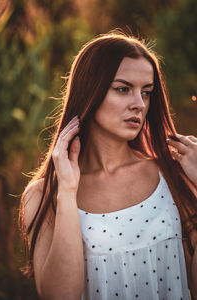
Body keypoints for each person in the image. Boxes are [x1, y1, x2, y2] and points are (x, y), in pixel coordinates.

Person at [19, 30, 197, 300]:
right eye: (123, 89)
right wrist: (67, 191)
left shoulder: (171, 176)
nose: (139, 104)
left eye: (146, 92)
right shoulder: (43, 196)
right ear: (90, 90)